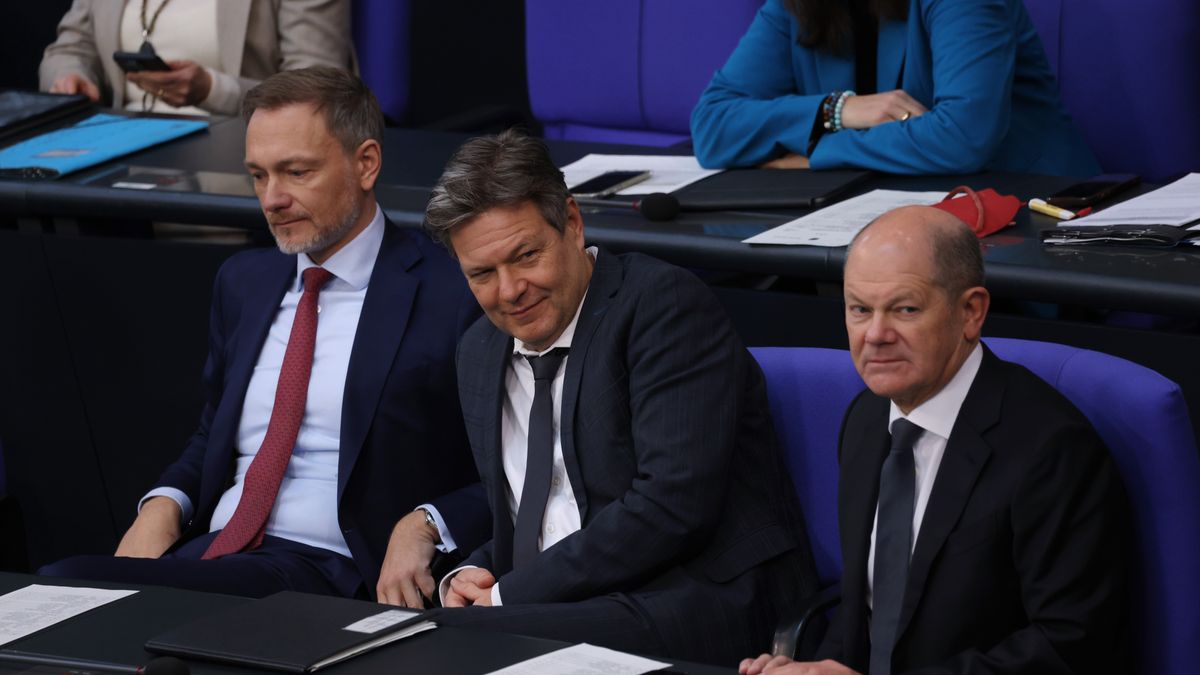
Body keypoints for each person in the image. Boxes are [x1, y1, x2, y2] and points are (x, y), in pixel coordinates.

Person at [39, 67, 489, 607]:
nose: (272, 199)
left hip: (333, 571)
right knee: (53, 603)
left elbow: (518, 466)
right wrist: (163, 506)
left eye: (296, 172)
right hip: (216, 555)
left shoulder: (453, 291)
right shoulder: (244, 281)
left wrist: (425, 525)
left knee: (63, 587)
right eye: (258, 176)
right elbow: (214, 435)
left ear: (366, 163)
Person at [418, 129, 819, 666]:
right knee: (412, 633)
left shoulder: (662, 307)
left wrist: (506, 598)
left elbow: (671, 507)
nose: (510, 290)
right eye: (483, 274)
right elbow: (536, 512)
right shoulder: (479, 350)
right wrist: (477, 572)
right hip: (568, 601)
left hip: (691, 598)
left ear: (573, 222)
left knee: (443, 643)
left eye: (526, 256)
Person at [740, 206, 1131, 675]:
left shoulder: (1051, 450)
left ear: (971, 311)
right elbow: (867, 609)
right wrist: (815, 667)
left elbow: (1070, 647)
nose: (876, 336)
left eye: (905, 309)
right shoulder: (866, 418)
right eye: (859, 310)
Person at [690, 0, 1100, 176]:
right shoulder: (794, 6)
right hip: (878, 216)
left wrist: (812, 157)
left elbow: (962, 136)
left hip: (1020, 218)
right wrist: (837, 111)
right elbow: (712, 127)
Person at [39, 0, 354, 115]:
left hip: (238, 157)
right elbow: (70, 47)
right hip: (118, 155)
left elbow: (318, 89)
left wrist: (211, 90)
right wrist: (70, 77)